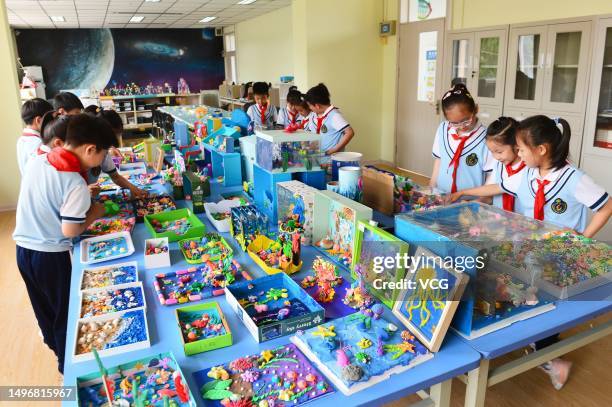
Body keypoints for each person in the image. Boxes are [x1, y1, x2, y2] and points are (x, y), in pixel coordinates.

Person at [502, 115, 611, 389]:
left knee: (547, 307)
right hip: (529, 252)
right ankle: (540, 348)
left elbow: (607, 206)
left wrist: (583, 240)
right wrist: (461, 194)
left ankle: (553, 360)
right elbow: (502, 188)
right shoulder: (527, 173)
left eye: (521, 149)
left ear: (541, 150)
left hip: (559, 259)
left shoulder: (574, 178)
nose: (518, 154)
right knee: (529, 298)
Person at [13, 114, 116, 374]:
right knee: (65, 312)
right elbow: (70, 229)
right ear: (90, 149)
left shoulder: (39, 161)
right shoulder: (74, 183)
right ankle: (68, 369)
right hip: (50, 255)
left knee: (44, 308)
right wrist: (94, 213)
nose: (99, 162)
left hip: (23, 249)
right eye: (101, 155)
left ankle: (55, 348)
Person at [449, 117, 526, 212]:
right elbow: (488, 197)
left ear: (516, 146)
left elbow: (496, 188)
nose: (495, 157)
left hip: (522, 223)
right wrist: (471, 205)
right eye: (491, 152)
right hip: (501, 220)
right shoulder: (499, 166)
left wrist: (462, 192)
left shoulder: (527, 169)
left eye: (499, 152)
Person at [430, 84, 493, 193]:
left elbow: (491, 175)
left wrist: (481, 200)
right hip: (442, 195)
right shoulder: (443, 129)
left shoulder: (487, 137)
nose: (462, 126)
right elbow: (439, 160)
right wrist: (432, 187)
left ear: (476, 109)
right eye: (454, 123)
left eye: (466, 120)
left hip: (470, 201)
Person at [88, 109, 148, 199]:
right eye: (114, 135)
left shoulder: (104, 150)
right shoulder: (86, 154)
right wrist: (85, 191)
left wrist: (133, 188)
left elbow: (115, 177)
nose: (114, 139)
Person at [304, 83, 354, 160]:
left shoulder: (334, 115)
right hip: (321, 157)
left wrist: (334, 150)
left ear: (317, 106)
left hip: (331, 159)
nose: (310, 108)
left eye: (310, 105)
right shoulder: (316, 115)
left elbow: (349, 132)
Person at [17, 98, 54, 175]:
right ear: (39, 120)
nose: (52, 123)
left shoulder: (21, 140)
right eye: (50, 119)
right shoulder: (39, 143)